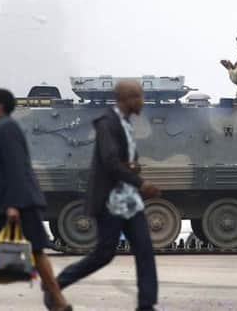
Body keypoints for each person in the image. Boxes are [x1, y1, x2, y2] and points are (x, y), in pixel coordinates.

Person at [47, 80, 161, 311]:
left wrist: (133, 169)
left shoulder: (125, 123)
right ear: (126, 99)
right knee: (103, 255)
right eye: (138, 96)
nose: (142, 101)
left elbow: (122, 159)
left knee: (145, 250)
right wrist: (141, 182)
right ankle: (55, 286)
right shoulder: (107, 124)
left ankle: (147, 305)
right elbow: (110, 162)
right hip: (111, 201)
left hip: (130, 200)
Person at [0, 88, 71, 311]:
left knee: (36, 252)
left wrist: (13, 205)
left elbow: (16, 167)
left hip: (16, 205)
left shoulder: (7, 128)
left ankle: (59, 302)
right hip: (0, 207)